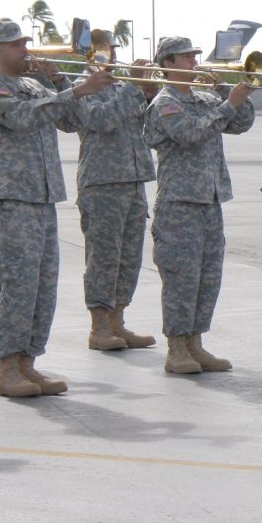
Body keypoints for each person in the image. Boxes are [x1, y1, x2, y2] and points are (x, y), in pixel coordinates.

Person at [0, 18, 115, 398]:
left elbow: (74, 122)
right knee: (19, 284)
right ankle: (7, 368)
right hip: (11, 197)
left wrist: (63, 84)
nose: (26, 49)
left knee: (42, 286)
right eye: (17, 44)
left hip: (43, 195)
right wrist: (76, 91)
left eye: (25, 42)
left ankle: (28, 363)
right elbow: (21, 118)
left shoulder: (35, 84)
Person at [143, 36, 255, 374]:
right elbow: (190, 134)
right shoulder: (164, 103)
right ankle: (177, 347)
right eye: (186, 57)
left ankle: (195, 342)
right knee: (182, 277)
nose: (195, 61)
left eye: (194, 55)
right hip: (180, 202)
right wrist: (227, 105)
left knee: (208, 276)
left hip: (210, 198)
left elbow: (240, 124)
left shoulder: (204, 98)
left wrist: (233, 96)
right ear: (168, 63)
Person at [68, 32, 157, 351]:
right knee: (104, 258)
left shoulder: (121, 86)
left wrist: (148, 92)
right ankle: (99, 327)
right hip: (102, 182)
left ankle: (118, 322)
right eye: (106, 50)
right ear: (89, 54)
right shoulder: (82, 87)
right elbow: (102, 120)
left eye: (115, 49)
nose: (114, 55)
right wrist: (134, 87)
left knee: (128, 258)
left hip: (133, 179)